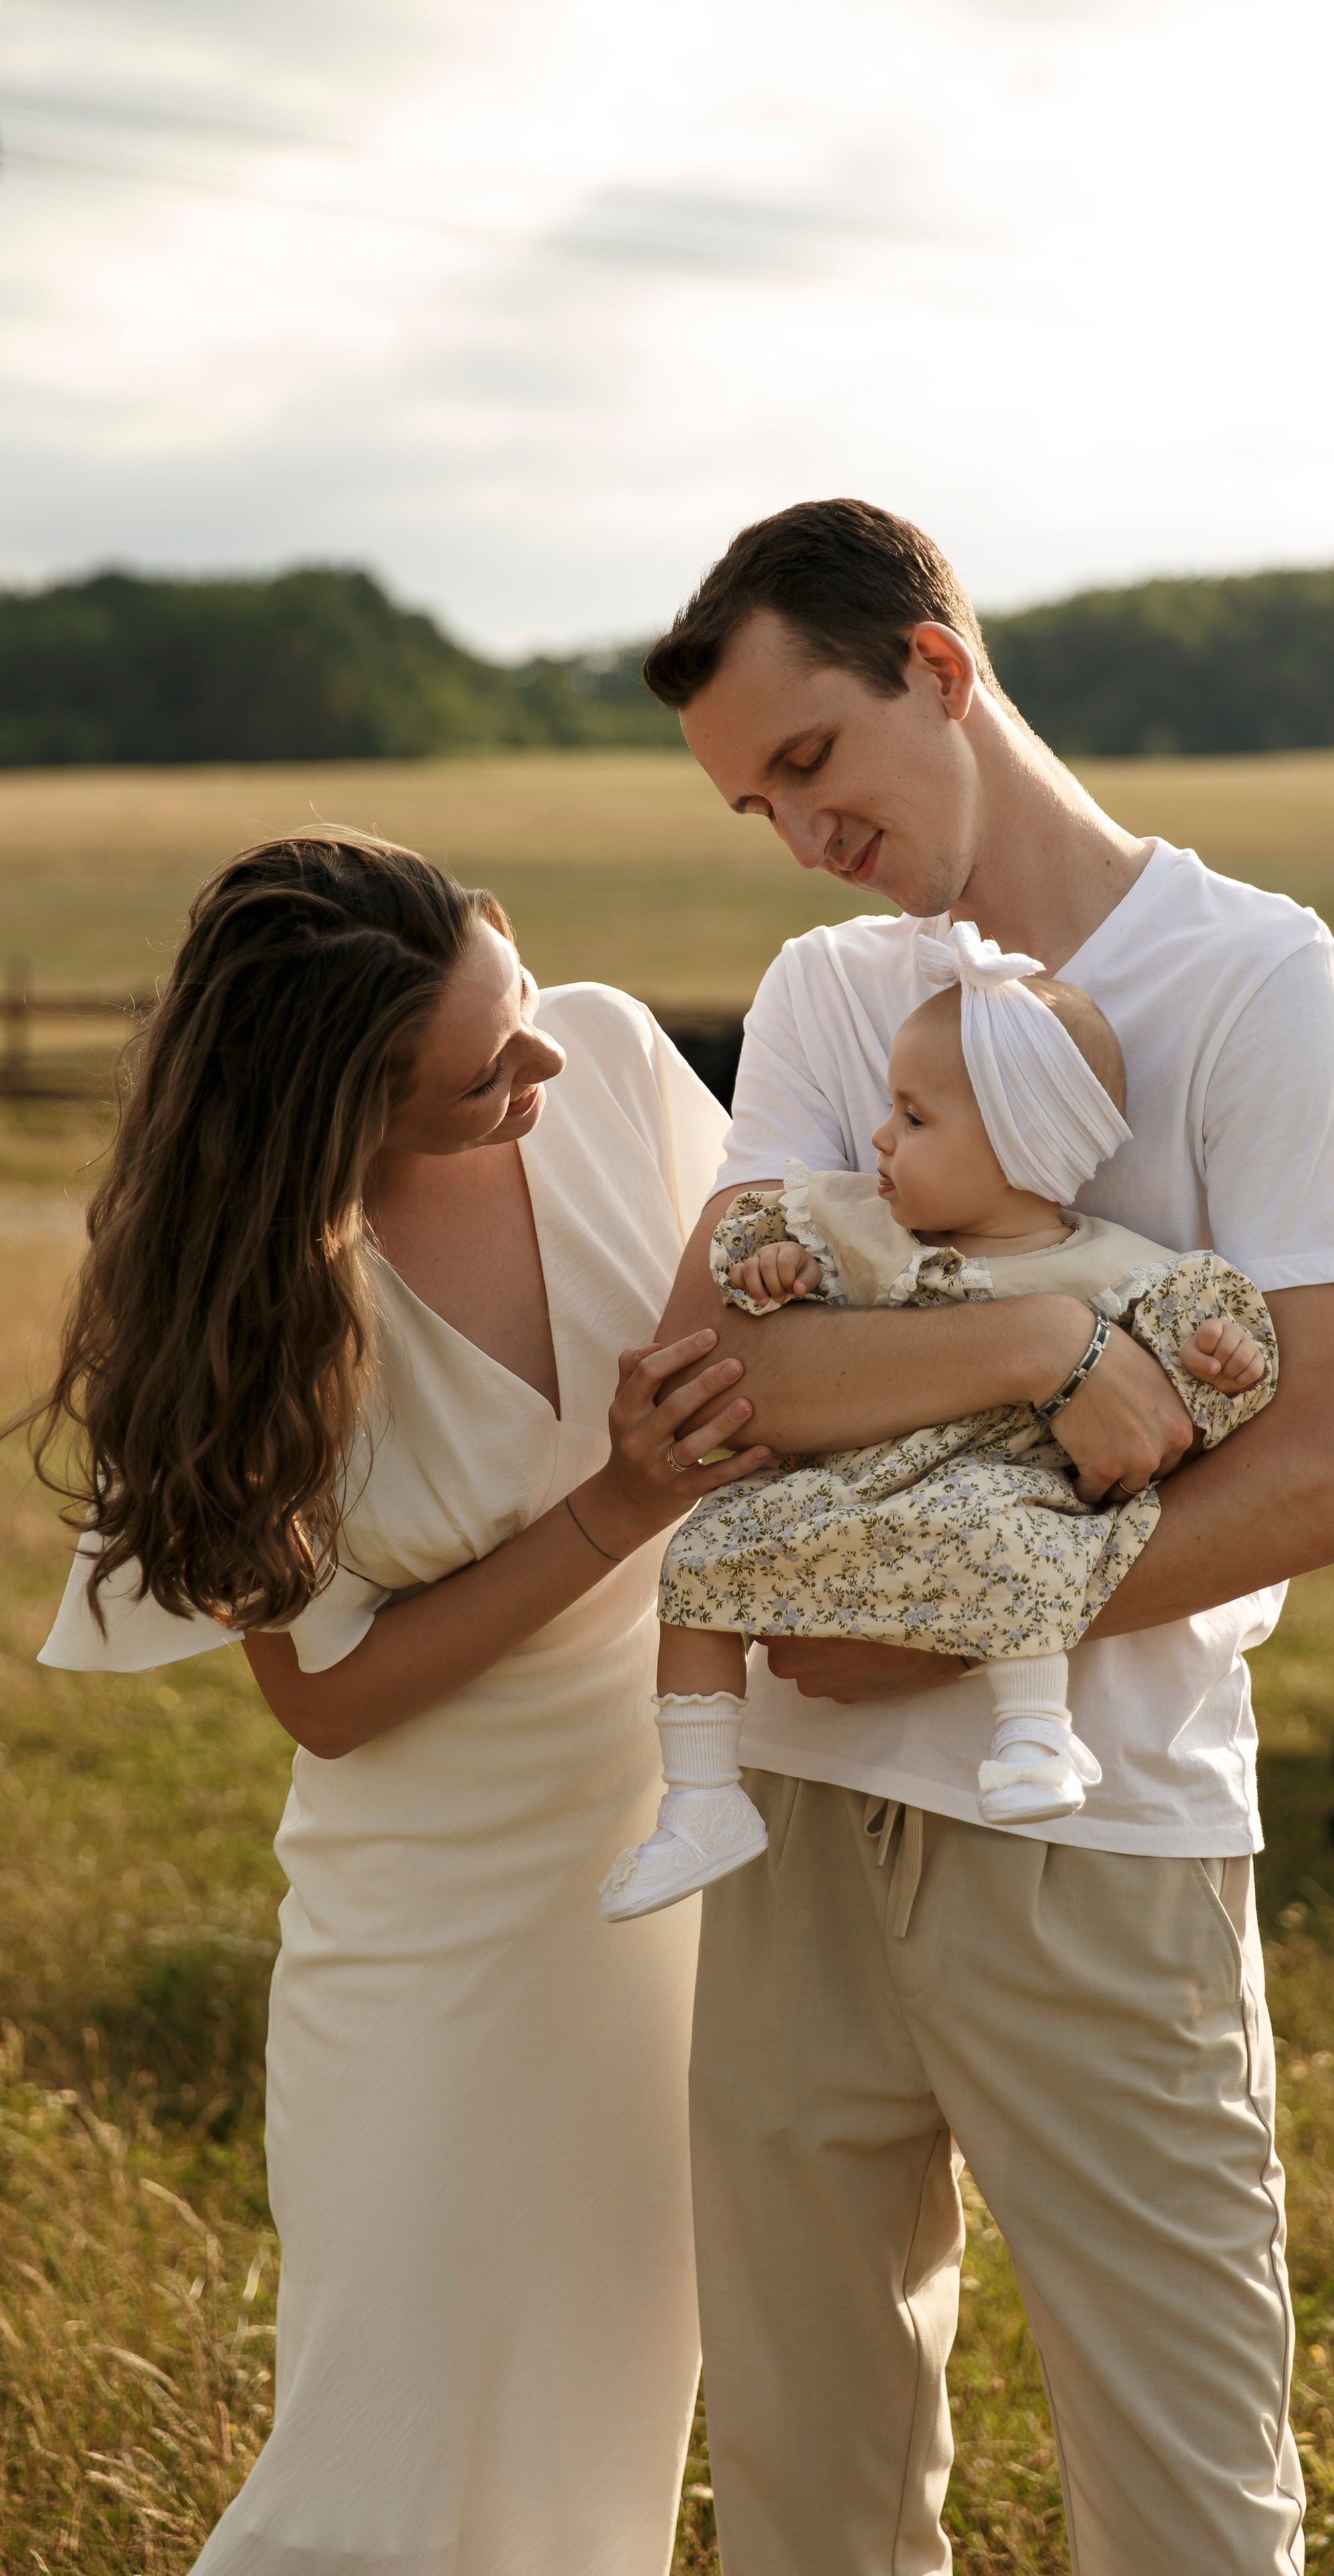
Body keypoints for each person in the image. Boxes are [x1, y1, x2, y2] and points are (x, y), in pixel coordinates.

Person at [638, 499, 1334, 2576]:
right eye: (750, 803)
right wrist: (1056, 1339)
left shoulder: (1254, 978)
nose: (801, 833)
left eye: (811, 761)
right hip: (789, 1822)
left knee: (1185, 2495)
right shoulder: (823, 994)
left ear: (941, 671)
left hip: (1104, 1831)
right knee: (810, 2493)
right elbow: (714, 1385)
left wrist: (962, 1620)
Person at [29, 835, 769, 2576]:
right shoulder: (265, 1306)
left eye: (514, 1010)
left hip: (677, 1874)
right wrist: (618, 1506)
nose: (545, 1069)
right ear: (333, 1109)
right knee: (393, 2439)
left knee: (601, 2424)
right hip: (436, 1931)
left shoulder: (614, 1074)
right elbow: (330, 1703)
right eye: (473, 1077)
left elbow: (790, 1325)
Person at [601, 926, 1274, 1921]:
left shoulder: (1105, 1263)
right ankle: (702, 1799)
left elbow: (1202, 1362)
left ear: (1023, 1147)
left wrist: (1227, 1356)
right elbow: (757, 1286)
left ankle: (1037, 1732)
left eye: (913, 1118)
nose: (878, 1138)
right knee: (705, 1557)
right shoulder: (861, 1228)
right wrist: (774, 1274)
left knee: (1026, 1543)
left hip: (998, 1487)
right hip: (851, 1491)